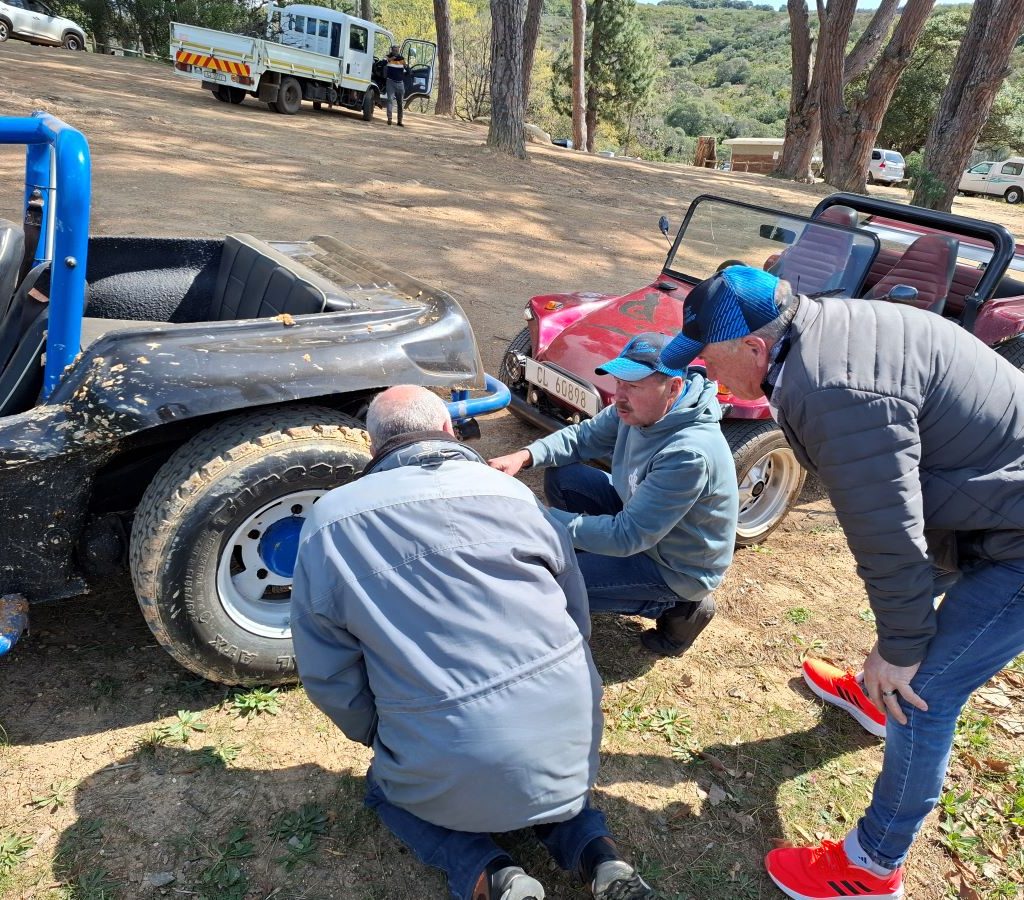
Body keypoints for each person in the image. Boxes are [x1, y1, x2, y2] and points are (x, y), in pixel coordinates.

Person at [659, 264, 1024, 900]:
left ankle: (873, 864)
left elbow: (887, 528)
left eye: (708, 360)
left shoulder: (833, 387)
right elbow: (907, 503)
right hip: (986, 501)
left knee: (924, 692)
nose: (704, 375)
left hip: (1015, 536)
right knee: (904, 645)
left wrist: (904, 648)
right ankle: (868, 695)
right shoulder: (820, 331)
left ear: (753, 346)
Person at [290, 385, 653, 900]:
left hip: (447, 745)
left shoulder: (329, 522)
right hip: (569, 731)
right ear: (447, 431)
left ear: (373, 448)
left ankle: (492, 874)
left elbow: (327, 670)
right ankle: (601, 857)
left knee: (386, 788)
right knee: (543, 783)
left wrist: (378, 734)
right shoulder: (514, 494)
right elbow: (576, 613)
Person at [489, 332, 738, 658]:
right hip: (642, 520)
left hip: (672, 565)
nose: (619, 395)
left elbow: (627, 536)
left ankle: (684, 608)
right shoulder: (636, 409)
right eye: (620, 382)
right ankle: (588, 564)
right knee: (565, 477)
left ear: (673, 388)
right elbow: (580, 439)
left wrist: (540, 520)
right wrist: (524, 456)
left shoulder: (689, 453)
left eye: (633, 386)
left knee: (552, 581)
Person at [384, 44, 408, 126]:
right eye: (394, 50)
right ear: (391, 50)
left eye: (397, 50)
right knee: (390, 100)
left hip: (400, 83)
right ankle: (389, 119)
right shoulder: (388, 57)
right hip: (390, 82)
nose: (395, 52)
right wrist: (390, 59)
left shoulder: (402, 59)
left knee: (400, 103)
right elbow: (383, 62)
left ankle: (399, 121)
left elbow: (406, 68)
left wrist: (407, 68)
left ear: (399, 51)